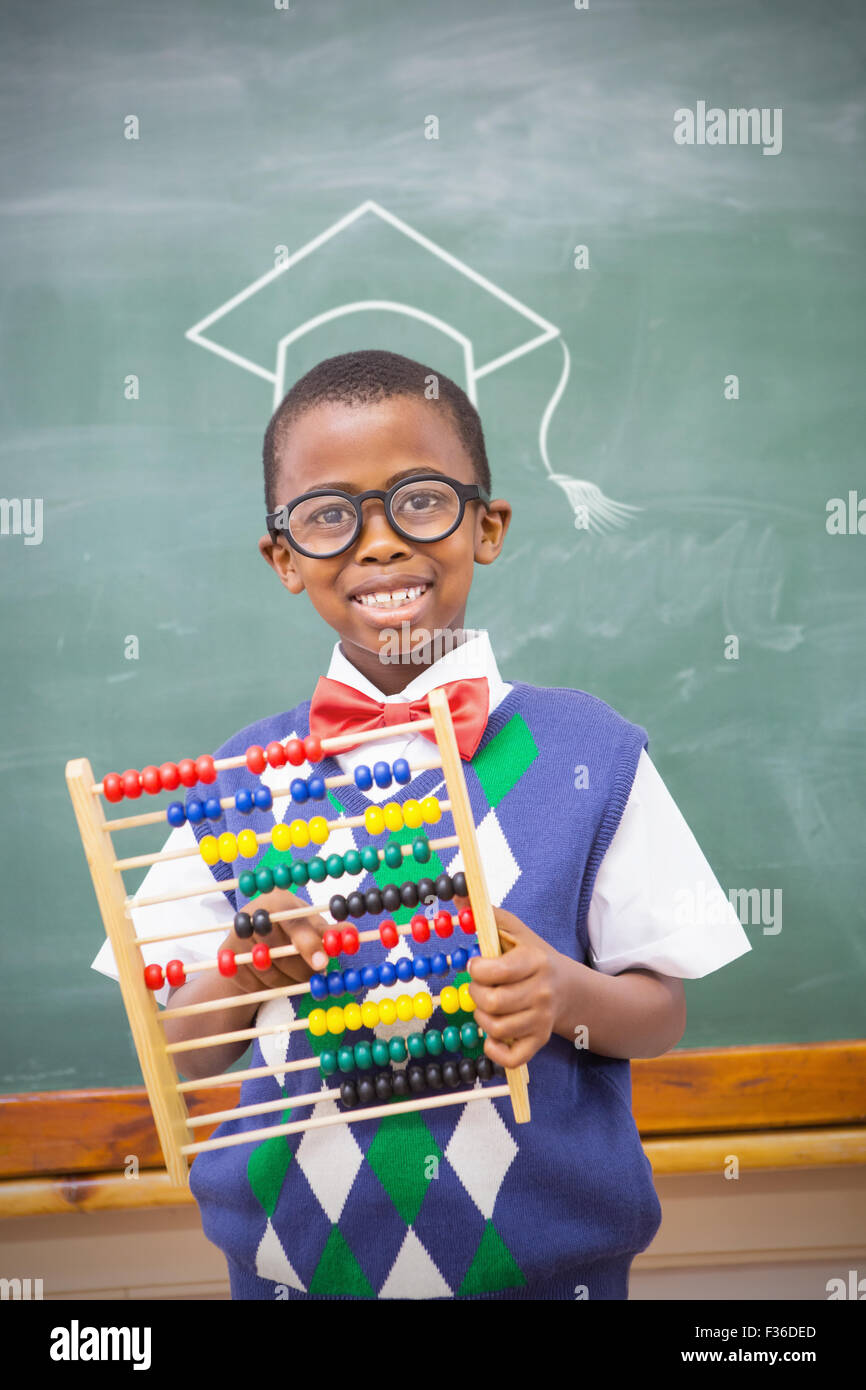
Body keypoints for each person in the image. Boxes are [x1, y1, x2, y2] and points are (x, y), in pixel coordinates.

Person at [92, 349, 751, 1300]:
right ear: (283, 559)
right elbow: (181, 1049)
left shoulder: (588, 751)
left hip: (544, 1270)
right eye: (329, 516)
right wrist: (243, 969)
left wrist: (560, 995)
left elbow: (662, 1013)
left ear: (487, 527)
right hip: (290, 1273)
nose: (382, 543)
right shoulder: (239, 785)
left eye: (421, 500)